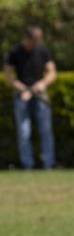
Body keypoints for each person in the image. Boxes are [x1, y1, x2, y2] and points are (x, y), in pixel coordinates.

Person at [3, 26, 57, 169]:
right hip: (22, 95)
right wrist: (22, 88)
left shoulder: (43, 51)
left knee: (46, 130)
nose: (37, 42)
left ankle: (49, 163)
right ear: (27, 38)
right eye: (35, 40)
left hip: (40, 94)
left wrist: (42, 84)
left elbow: (52, 72)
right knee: (24, 131)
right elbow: (8, 76)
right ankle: (27, 164)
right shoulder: (14, 52)